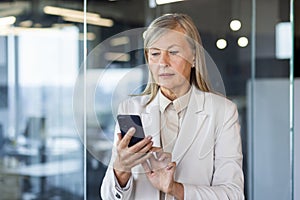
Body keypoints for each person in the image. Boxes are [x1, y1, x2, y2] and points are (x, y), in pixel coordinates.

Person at [101, 13, 244, 200]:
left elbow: (233, 194)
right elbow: (109, 197)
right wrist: (121, 170)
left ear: (193, 57)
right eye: (155, 54)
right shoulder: (131, 109)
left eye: (173, 52)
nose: (163, 63)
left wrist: (176, 189)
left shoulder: (222, 112)